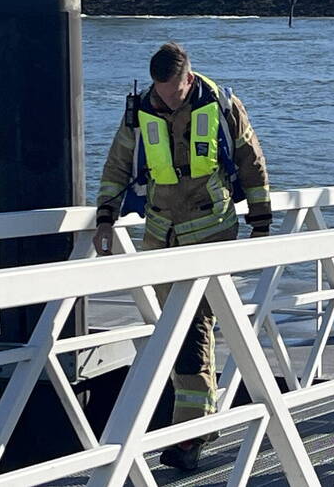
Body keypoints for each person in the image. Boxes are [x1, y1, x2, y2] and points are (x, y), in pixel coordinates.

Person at [92, 42, 272, 471]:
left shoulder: (222, 105)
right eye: (160, 93)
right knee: (173, 332)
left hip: (211, 233)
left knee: (192, 329)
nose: (166, 100)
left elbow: (251, 159)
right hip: (160, 237)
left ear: (188, 79)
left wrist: (261, 220)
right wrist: (105, 216)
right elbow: (118, 164)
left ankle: (188, 437)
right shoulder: (140, 110)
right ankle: (201, 425)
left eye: (172, 93)